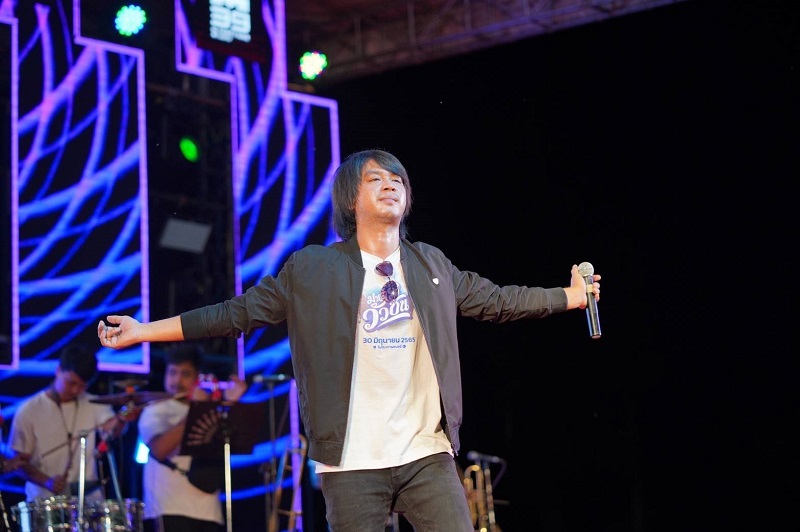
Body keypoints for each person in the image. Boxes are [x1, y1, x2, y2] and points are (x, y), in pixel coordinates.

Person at [98, 148, 601, 531]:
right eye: (374, 178)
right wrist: (143, 331)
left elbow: (499, 300)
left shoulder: (431, 264)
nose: (390, 184)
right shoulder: (312, 268)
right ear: (350, 199)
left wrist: (571, 296)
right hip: (351, 461)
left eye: (397, 178)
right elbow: (235, 314)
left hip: (426, 454)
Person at [137, 344, 246, 532]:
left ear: (197, 377)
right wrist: (196, 410)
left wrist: (229, 403)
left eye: (185, 374)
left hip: (209, 512)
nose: (177, 380)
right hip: (168, 509)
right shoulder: (156, 409)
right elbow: (159, 449)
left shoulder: (210, 408)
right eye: (172, 372)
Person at [7, 344, 134, 504]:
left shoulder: (94, 403)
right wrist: (47, 481)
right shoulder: (29, 410)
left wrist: (122, 419)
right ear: (58, 370)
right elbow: (18, 463)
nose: (76, 390)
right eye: (71, 383)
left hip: (88, 501)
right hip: (44, 503)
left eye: (82, 386)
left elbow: (110, 431)